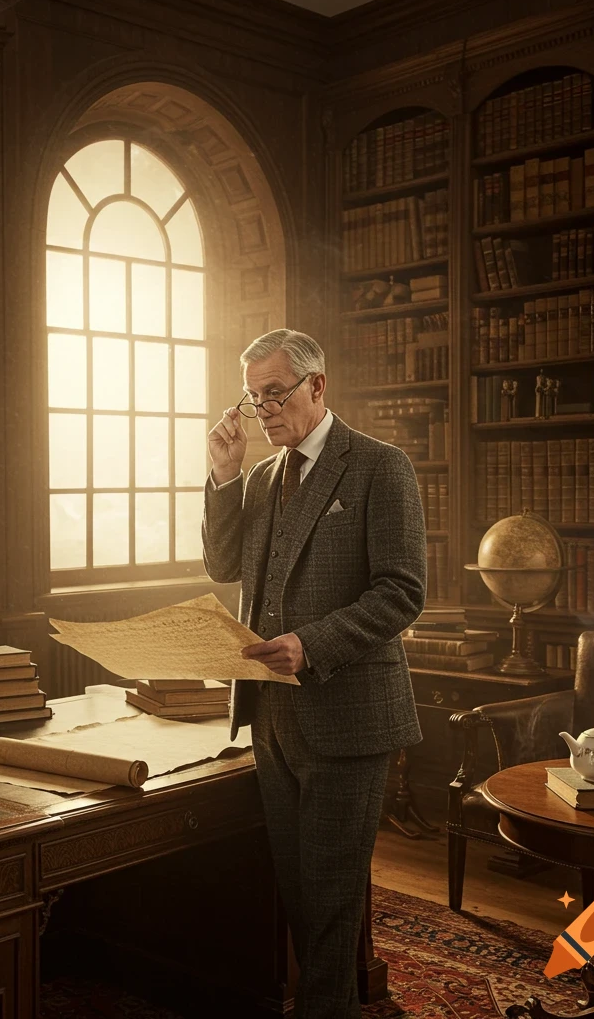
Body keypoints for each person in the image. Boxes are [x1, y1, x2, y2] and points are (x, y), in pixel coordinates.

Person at [202, 328, 427, 1019]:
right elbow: (224, 566)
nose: (264, 410)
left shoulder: (380, 467)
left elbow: (401, 591)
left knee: (330, 900)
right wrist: (223, 477)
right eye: (254, 397)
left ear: (317, 387)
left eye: (276, 393)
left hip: (348, 713)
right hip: (272, 719)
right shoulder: (265, 476)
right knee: (302, 894)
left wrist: (313, 644)